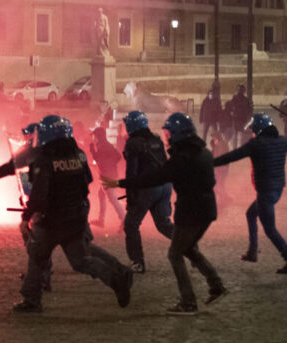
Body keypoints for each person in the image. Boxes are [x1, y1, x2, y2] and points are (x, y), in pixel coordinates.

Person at [0, 115, 132, 313]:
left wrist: (27, 216)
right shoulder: (76, 155)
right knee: (80, 261)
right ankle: (116, 279)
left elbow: (39, 192)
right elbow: (86, 181)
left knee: (38, 256)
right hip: (74, 217)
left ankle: (32, 300)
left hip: (51, 219)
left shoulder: (45, 158)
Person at [104, 113, 227, 315]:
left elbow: (151, 176)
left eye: (169, 133)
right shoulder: (203, 152)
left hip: (190, 211)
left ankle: (188, 302)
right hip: (206, 209)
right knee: (183, 245)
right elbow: (210, 181)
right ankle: (216, 285)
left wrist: (122, 185)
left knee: (174, 253)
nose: (167, 137)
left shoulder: (180, 158)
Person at [213, 114, 287, 273]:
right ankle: (252, 252)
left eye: (253, 130)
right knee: (250, 214)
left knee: (270, 229)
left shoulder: (257, 144)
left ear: (259, 129)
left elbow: (232, 156)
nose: (252, 133)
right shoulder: (282, 141)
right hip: (277, 189)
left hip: (265, 192)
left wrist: (210, 162)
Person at [119, 111, 174, 273]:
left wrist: (131, 198)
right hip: (164, 186)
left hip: (147, 189)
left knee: (131, 225)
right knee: (164, 224)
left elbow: (131, 174)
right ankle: (190, 245)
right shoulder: (156, 139)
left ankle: (137, 262)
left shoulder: (133, 143)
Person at [88, 126, 125, 229]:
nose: (93, 138)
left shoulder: (103, 146)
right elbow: (117, 157)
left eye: (94, 136)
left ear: (98, 136)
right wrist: (109, 164)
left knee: (112, 198)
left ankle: (124, 220)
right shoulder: (105, 145)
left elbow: (98, 158)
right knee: (102, 195)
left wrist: (91, 148)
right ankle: (101, 220)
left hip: (107, 176)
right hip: (108, 175)